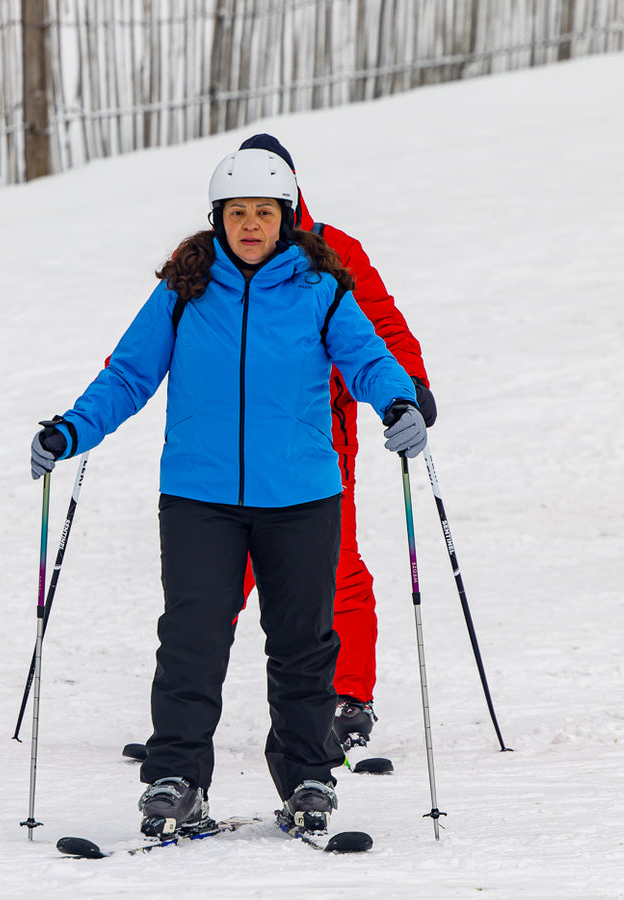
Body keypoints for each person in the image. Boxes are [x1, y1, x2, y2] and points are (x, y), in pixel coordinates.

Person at [29, 147, 428, 838]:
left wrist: (399, 403)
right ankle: (177, 777)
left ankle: (306, 775)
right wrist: (72, 430)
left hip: (301, 493)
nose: (250, 224)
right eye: (237, 212)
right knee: (191, 638)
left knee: (302, 643)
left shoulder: (319, 286)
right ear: (217, 218)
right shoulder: (184, 290)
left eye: (263, 212)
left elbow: (367, 358)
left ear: (286, 217)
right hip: (198, 497)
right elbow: (127, 374)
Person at [235, 133, 436, 755]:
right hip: (235, 445)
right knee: (221, 573)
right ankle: (188, 715)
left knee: (335, 566)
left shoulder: (335, 250)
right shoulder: (217, 255)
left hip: (324, 438)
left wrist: (413, 391)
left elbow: (380, 323)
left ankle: (350, 700)